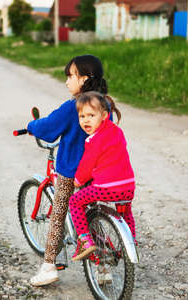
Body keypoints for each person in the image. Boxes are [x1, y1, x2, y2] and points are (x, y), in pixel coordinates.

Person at [27, 55, 121, 286]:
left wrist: (31, 126)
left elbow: (48, 127)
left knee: (59, 214)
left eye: (71, 76)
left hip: (73, 173)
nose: (67, 81)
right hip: (100, 171)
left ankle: (49, 266)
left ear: (85, 79)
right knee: (93, 215)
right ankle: (102, 269)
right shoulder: (104, 103)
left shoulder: (74, 107)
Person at [70, 91, 136, 261]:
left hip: (106, 188)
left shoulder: (93, 140)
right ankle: (131, 241)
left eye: (91, 115)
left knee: (75, 201)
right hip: (128, 186)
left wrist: (77, 181)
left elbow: (87, 165)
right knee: (125, 211)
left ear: (105, 115)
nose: (85, 120)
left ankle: (85, 240)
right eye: (82, 116)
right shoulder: (117, 132)